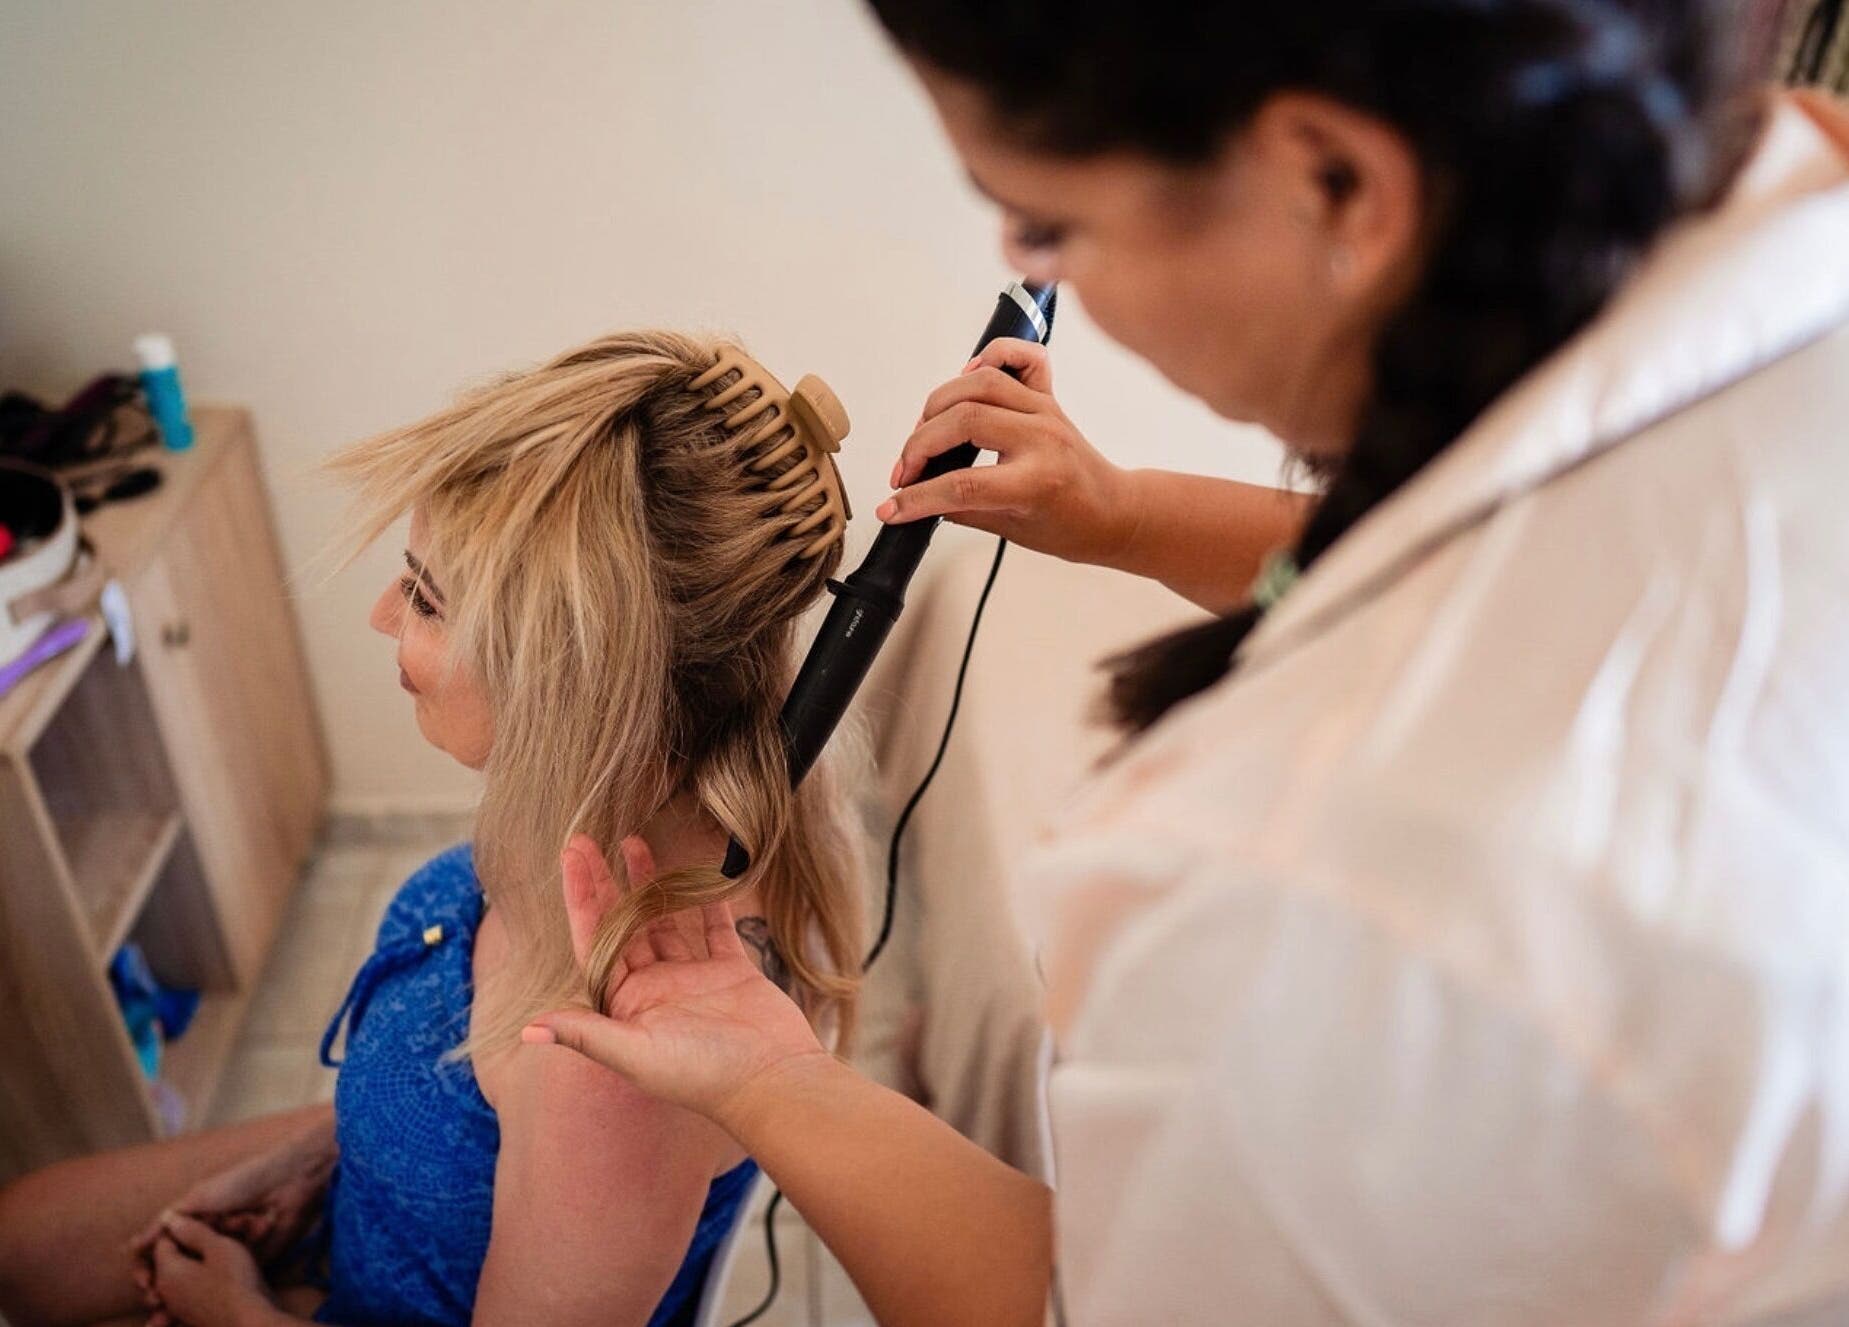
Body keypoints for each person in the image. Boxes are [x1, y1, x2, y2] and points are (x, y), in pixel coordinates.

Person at [522, 3, 1849, 1325]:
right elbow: (1489, 551)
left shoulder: (1300, 882)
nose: (1036, 268)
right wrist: (1133, 513)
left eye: (1052, 225)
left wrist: (772, 1079)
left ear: (1333, 181)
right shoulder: (1790, 197)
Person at [0, 331, 865, 1327]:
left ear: (570, 681)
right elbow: (479, 1111)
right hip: (357, 1193)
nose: (380, 615)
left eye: (423, 596)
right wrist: (326, 1148)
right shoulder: (617, 807)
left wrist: (238, 1315)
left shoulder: (616, 1067)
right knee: (22, 1238)